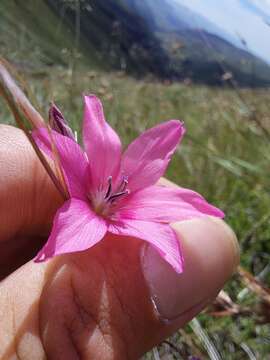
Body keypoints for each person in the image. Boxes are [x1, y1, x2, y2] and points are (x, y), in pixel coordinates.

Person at [0, 125, 239, 359]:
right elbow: (67, 153)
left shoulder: (113, 206)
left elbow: (166, 232)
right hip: (87, 215)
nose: (108, 200)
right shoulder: (86, 216)